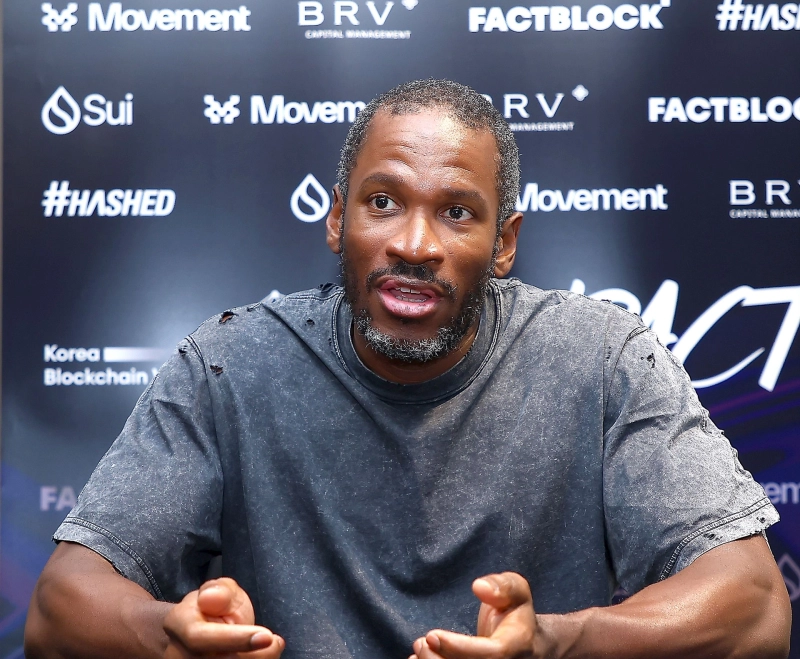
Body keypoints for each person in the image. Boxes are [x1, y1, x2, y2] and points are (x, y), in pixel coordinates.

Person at [25, 79, 790, 659]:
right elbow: (58, 609)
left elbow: (756, 607)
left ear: (504, 242)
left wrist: (552, 641)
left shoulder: (602, 357)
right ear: (338, 218)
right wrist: (169, 634)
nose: (414, 244)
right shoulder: (228, 365)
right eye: (384, 201)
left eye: (456, 212)